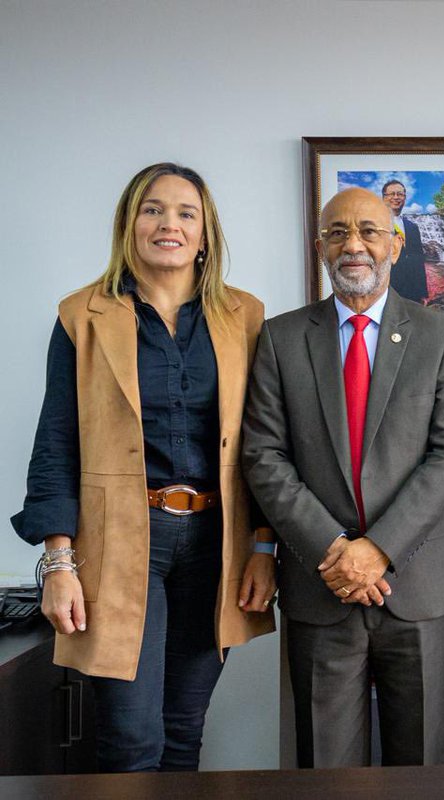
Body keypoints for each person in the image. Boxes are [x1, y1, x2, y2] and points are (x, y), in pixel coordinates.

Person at [10, 162, 277, 772]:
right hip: (121, 542)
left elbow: (266, 444)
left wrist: (264, 547)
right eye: (153, 209)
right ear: (129, 225)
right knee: (132, 741)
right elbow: (56, 442)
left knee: (184, 732)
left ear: (206, 232)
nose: (169, 224)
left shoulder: (246, 317)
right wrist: (58, 562)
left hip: (219, 543)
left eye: (187, 213)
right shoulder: (82, 316)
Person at [241, 187, 444, 768]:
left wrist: (377, 550)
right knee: (324, 769)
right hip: (321, 586)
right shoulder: (280, 337)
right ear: (319, 245)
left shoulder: (442, 334)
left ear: (395, 244)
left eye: (370, 231)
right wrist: (337, 551)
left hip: (418, 585)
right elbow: (264, 457)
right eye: (338, 232)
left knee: (421, 767)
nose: (354, 244)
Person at [382, 179, 429, 304]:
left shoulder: (412, 227)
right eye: (392, 194)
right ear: (383, 198)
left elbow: (419, 260)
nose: (396, 197)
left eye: (400, 194)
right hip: (387, 291)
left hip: (412, 293)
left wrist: (423, 292)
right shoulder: (375, 225)